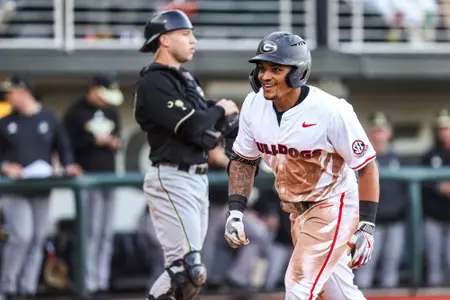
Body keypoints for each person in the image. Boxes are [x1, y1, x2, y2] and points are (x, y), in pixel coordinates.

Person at [223, 31, 380, 300]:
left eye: (276, 68)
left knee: (298, 284)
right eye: (262, 67)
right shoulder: (253, 105)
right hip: (297, 211)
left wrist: (366, 225)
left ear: (298, 72)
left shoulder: (331, 110)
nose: (265, 76)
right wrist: (235, 211)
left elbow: (366, 166)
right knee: (338, 293)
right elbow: (243, 161)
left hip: (334, 204)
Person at [133, 9, 240, 300]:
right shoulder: (154, 81)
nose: (193, 40)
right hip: (172, 176)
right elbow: (195, 125)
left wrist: (215, 118)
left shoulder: (185, 79)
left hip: (196, 177)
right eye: (185, 34)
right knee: (186, 270)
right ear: (164, 40)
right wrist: (218, 110)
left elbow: (209, 130)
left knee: (190, 274)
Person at [0, 75, 82, 300]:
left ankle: (26, 288)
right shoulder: (5, 122)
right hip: (14, 189)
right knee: (21, 236)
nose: (8, 96)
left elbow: (63, 148)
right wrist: (5, 167)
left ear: (24, 91)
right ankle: (8, 288)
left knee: (38, 237)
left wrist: (68, 165)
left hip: (42, 186)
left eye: (12, 92)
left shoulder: (49, 118)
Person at [63, 73, 123, 294]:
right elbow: (66, 145)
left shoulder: (111, 111)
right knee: (90, 231)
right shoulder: (76, 111)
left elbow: (117, 139)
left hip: (109, 176)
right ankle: (86, 281)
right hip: (87, 178)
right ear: (94, 88)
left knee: (106, 232)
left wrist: (113, 143)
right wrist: (91, 141)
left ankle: (101, 281)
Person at [354, 112, 408, 288]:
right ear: (370, 133)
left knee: (392, 265)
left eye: (382, 130)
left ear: (389, 133)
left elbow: (405, 192)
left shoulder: (398, 158)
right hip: (370, 223)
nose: (378, 134)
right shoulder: (362, 157)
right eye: (375, 130)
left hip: (395, 221)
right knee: (365, 264)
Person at [421, 108, 450, 287]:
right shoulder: (430, 154)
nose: (444, 132)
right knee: (434, 260)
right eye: (441, 129)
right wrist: (440, 187)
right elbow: (424, 183)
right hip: (433, 215)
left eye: (447, 128)